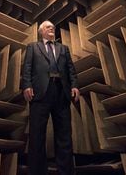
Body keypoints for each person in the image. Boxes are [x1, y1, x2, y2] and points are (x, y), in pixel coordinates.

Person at [21, 20, 80, 175]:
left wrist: (74, 85)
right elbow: (27, 68)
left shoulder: (64, 48)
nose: (52, 28)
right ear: (41, 31)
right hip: (40, 93)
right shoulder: (33, 47)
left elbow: (71, 70)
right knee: (37, 135)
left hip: (61, 93)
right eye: (48, 26)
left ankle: (66, 172)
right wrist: (27, 85)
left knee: (64, 135)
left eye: (53, 27)